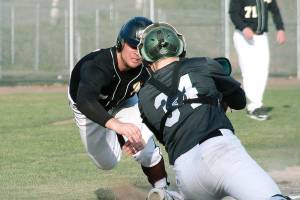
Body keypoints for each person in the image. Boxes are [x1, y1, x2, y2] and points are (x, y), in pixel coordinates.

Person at [137, 22, 291, 200]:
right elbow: (239, 101)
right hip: (219, 151)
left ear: (146, 56)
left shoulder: (144, 96)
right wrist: (219, 97)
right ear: (179, 46)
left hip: (186, 172)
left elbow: (165, 137)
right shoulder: (203, 64)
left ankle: (171, 197)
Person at [68, 16, 181, 198]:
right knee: (106, 162)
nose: (137, 52)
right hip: (89, 107)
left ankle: (163, 191)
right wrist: (119, 127)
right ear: (121, 42)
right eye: (132, 44)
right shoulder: (98, 64)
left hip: (124, 101)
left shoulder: (146, 66)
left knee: (144, 144)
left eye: (141, 47)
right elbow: (85, 101)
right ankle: (120, 137)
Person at [229, 0, 286, 121]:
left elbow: (275, 10)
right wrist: (244, 28)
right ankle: (255, 106)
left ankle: (255, 105)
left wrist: (280, 28)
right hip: (243, 36)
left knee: (262, 71)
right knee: (249, 71)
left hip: (261, 37)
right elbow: (233, 13)